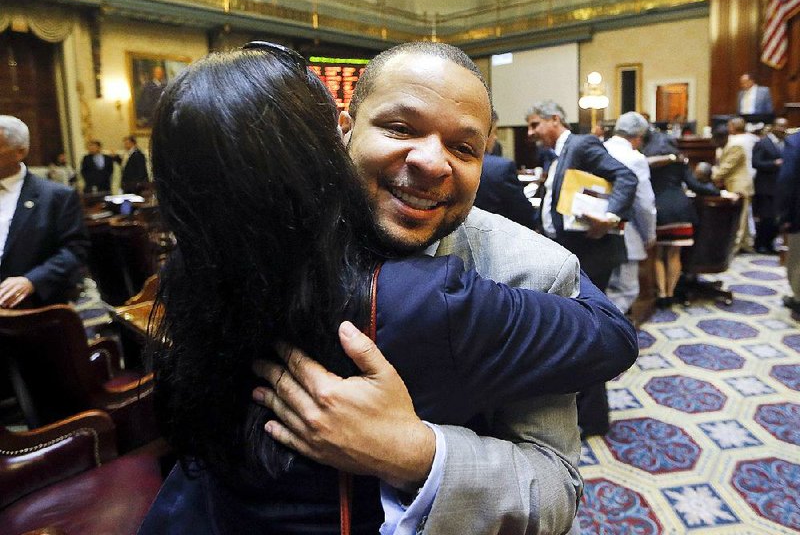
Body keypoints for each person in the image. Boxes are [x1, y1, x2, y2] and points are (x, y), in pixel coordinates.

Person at [140, 44, 637, 534]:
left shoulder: (533, 271)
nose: (431, 162)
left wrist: (418, 454)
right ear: (345, 131)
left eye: (464, 148)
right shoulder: (278, 245)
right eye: (400, 128)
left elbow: (554, 492)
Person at [527, 99, 637, 438]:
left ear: (555, 120)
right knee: (579, 331)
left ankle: (593, 418)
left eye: (534, 125)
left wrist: (610, 217)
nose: (530, 133)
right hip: (573, 251)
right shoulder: (558, 153)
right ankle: (587, 414)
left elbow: (626, 177)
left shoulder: (580, 143)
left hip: (592, 253)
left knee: (588, 332)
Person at [0, 116, 89, 309]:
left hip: (33, 308)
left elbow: (74, 251)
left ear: (20, 152)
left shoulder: (57, 197)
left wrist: (32, 281)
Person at [642, 129, 718, 308]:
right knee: (675, 254)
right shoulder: (679, 161)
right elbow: (694, 185)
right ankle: (671, 292)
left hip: (659, 210)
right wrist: (716, 191)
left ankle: (661, 294)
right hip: (681, 209)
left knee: (659, 255)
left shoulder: (648, 162)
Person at [604, 112, 657, 314]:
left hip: (595, 230)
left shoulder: (599, 149)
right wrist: (649, 234)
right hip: (626, 231)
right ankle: (609, 336)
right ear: (638, 137)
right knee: (625, 290)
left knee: (602, 287)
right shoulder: (635, 159)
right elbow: (644, 203)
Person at [473, 109, 537, 229]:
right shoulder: (501, 168)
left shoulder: (450, 164)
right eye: (495, 132)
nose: (496, 138)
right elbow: (524, 214)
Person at [712, 119, 755, 255]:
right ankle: (746, 244)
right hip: (734, 183)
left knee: (740, 219)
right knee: (744, 217)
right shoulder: (728, 145)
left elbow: (726, 167)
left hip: (740, 185)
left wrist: (712, 176)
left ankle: (735, 248)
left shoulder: (735, 146)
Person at [752, 118, 788, 254]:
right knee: (765, 218)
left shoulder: (786, 143)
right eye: (779, 126)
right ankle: (760, 244)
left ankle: (769, 243)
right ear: (773, 127)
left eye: (784, 126)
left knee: (776, 219)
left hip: (780, 187)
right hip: (765, 187)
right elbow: (755, 162)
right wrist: (774, 164)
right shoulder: (763, 143)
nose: (782, 129)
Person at [777, 131, 800, 314]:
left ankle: (798, 301)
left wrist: (783, 215)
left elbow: (787, 179)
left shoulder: (796, 141)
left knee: (797, 260)